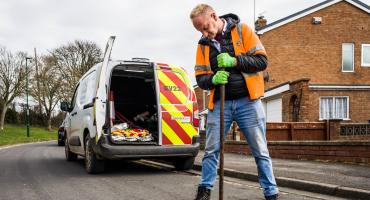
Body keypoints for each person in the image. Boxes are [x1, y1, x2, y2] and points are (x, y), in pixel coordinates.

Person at [190, 4, 279, 200]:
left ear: (214, 16)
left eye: (205, 27)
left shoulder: (243, 30)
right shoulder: (203, 44)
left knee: (260, 150)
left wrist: (234, 61)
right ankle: (204, 192)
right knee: (211, 150)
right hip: (220, 104)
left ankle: (271, 193)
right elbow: (200, 78)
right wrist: (212, 80)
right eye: (200, 31)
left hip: (248, 102)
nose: (205, 33)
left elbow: (262, 61)